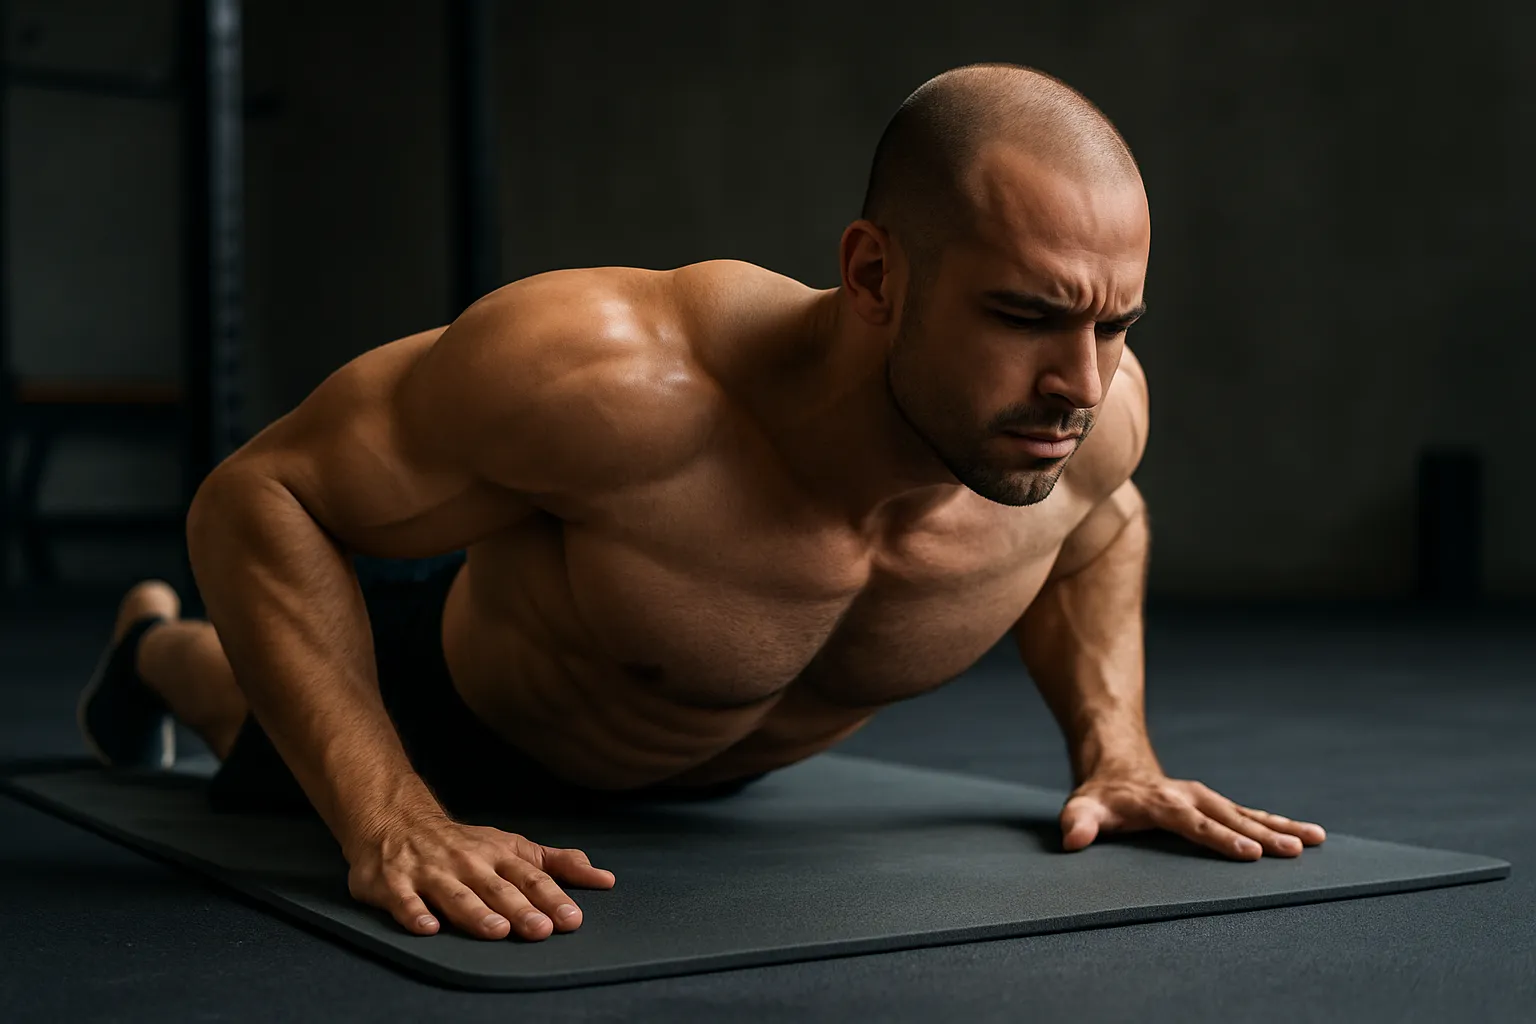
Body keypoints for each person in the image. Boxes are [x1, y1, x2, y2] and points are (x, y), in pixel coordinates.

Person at [77, 63, 1325, 945]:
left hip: (704, 764)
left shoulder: (1094, 414)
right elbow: (262, 495)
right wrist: (392, 812)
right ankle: (152, 648)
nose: (1081, 380)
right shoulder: (615, 376)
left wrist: (1117, 751)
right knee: (252, 706)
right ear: (875, 272)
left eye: (1116, 323)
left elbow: (1100, 525)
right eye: (1025, 315)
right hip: (467, 706)